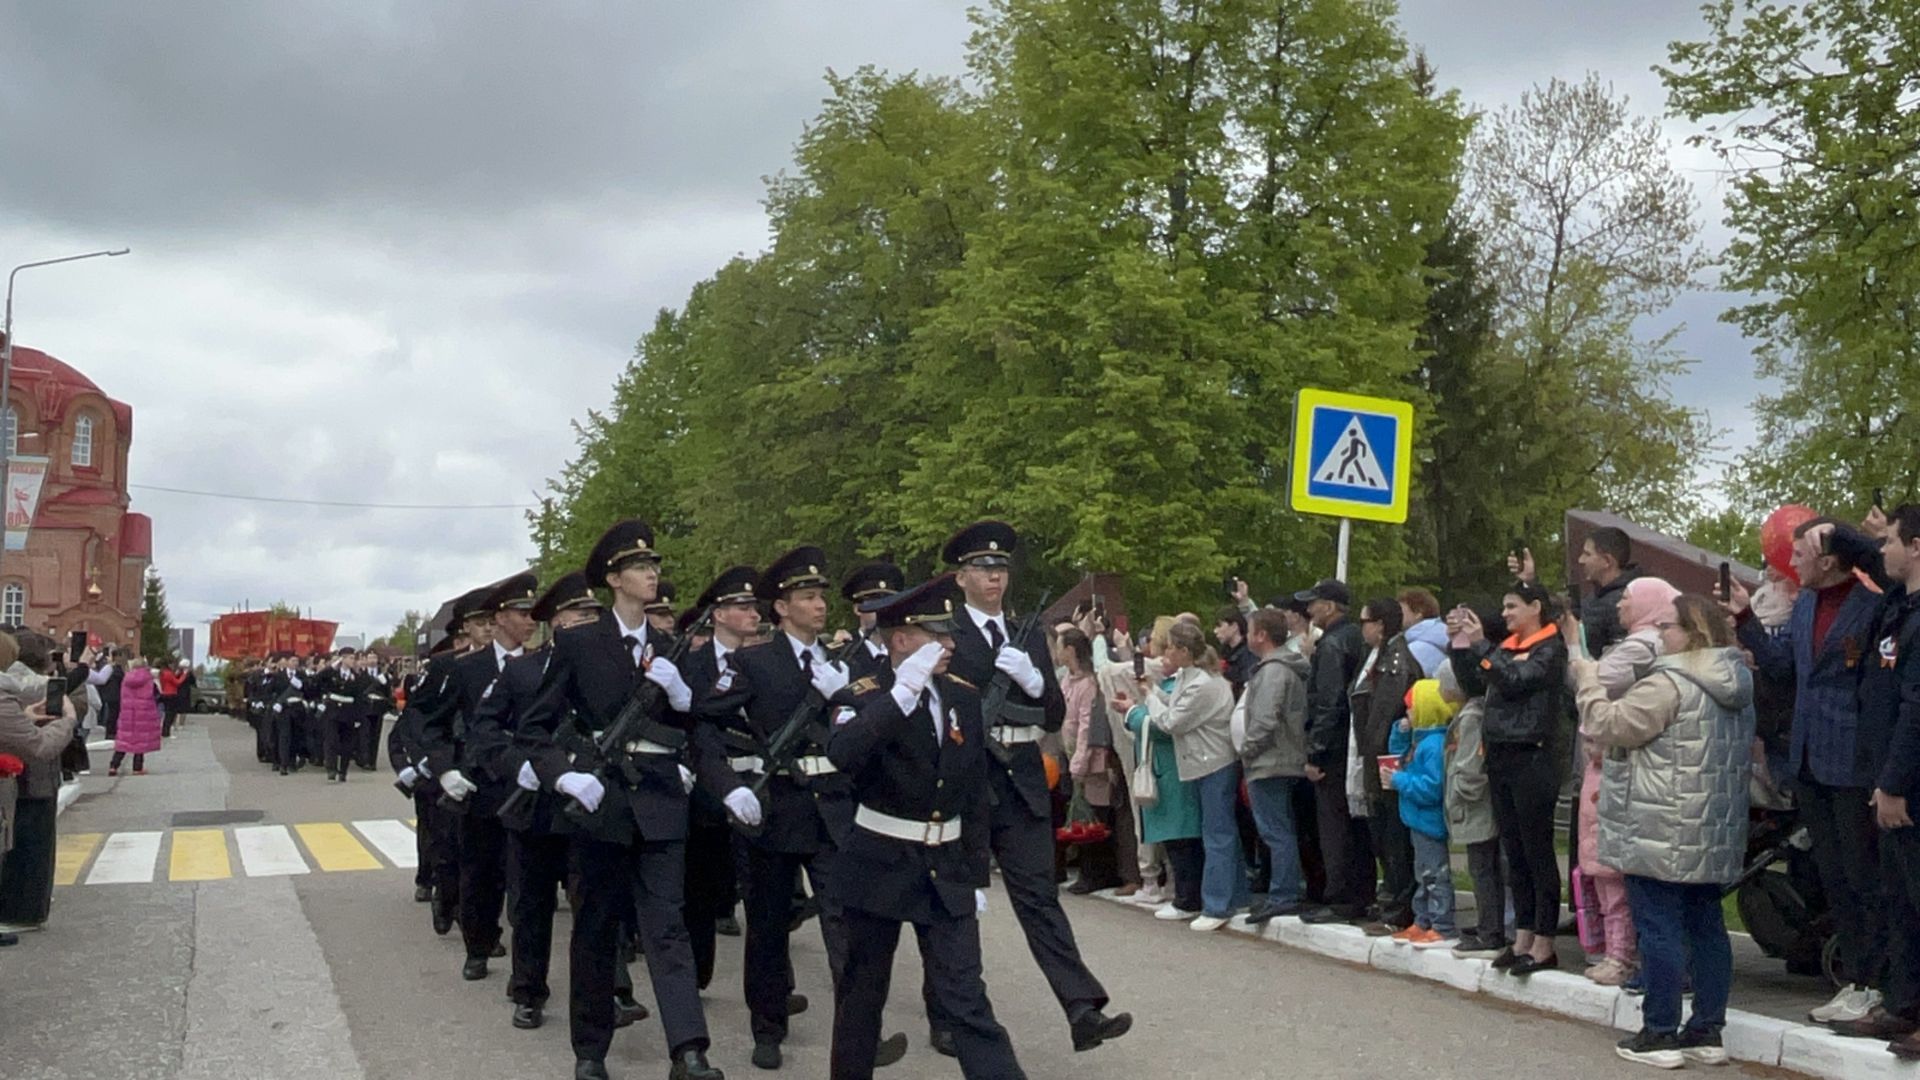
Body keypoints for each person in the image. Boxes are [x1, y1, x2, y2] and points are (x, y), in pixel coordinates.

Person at [516, 519, 723, 1080]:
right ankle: (590, 1049)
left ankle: (689, 1050)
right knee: (596, 928)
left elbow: (700, 724)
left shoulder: (668, 646)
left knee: (667, 927)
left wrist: (684, 701)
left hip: (659, 801)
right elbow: (535, 727)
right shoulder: (580, 643)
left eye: (654, 565)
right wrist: (563, 776)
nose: (652, 573)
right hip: (601, 802)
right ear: (613, 579)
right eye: (640, 566)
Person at [929, 521, 1129, 1055]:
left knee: (1039, 898)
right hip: (968, 780)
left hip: (1019, 779)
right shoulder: (945, 635)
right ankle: (953, 1013)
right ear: (960, 578)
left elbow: (1055, 713)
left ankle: (1082, 1008)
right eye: (982, 569)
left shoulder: (1026, 633)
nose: (994, 578)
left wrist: (1037, 682)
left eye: (1000, 569)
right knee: (961, 904)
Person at [825, 575, 1028, 1080]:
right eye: (935, 635)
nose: (949, 644)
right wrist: (902, 693)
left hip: (945, 868)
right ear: (899, 639)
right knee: (862, 998)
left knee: (966, 997)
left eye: (949, 633)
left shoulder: (961, 696)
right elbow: (843, 753)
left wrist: (977, 874)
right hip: (880, 862)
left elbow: (974, 791)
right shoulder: (863, 694)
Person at [691, 546, 869, 1071]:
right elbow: (704, 725)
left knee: (846, 922)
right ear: (781, 608)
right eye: (808, 597)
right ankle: (767, 1026)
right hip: (774, 808)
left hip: (831, 808)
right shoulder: (752, 661)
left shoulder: (840, 664)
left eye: (820, 596)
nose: (819, 606)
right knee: (768, 926)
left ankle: (858, 1030)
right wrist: (728, 786)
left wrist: (850, 699)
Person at [1723, 516, 1889, 1025]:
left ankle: (1880, 981)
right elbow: (1783, 668)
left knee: (1865, 876)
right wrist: (1746, 618)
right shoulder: (1807, 604)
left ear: (1830, 559)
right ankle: (1858, 979)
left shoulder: (1873, 603)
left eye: (1799, 555)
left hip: (1854, 759)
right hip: (1808, 759)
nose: (1789, 564)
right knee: (1834, 875)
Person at [1575, 594, 1752, 1069]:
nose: (1660, 637)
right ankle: (1707, 1029)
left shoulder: (1669, 683)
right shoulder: (1736, 680)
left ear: (1693, 633)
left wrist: (1589, 681)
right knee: (1707, 927)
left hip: (1658, 824)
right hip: (1710, 828)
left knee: (1659, 928)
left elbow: (1608, 724)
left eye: (1667, 627)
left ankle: (1659, 1032)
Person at [1450, 579, 1568, 975]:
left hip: (1532, 757)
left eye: (1512, 606)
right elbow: (1477, 682)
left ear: (1536, 607)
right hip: (1500, 756)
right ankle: (1522, 936)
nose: (1505, 614)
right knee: (1513, 854)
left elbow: (1517, 682)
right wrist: (1463, 644)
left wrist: (1483, 645)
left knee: (1537, 853)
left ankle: (1545, 942)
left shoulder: (1550, 648)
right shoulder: (1506, 646)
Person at [1853, 504, 1920, 1049]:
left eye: (1892, 541)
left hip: (1911, 784)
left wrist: (1895, 782)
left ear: (1917, 547)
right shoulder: (1901, 606)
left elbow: (1918, 707)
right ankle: (1904, 1004)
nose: (1882, 550)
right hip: (1888, 777)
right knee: (1899, 898)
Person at [1137, 620, 1243, 931]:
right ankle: (1228, 896)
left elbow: (1172, 721)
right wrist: (1153, 689)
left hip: (1215, 764)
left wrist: (1148, 698)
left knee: (1218, 835)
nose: (1166, 652)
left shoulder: (1204, 684)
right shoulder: (1189, 676)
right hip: (1200, 763)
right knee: (1214, 832)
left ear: (1184, 650)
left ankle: (1218, 905)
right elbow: (1172, 703)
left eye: (1170, 646)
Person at [1297, 578, 1372, 924]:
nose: (1309, 610)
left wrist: (1316, 752)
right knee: (1355, 825)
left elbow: (1329, 703)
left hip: (1334, 749)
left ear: (1329, 606)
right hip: (1352, 745)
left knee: (1334, 826)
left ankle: (1340, 896)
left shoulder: (1331, 646)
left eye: (1314, 603)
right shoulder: (1356, 638)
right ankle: (1361, 892)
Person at [1239, 608, 1312, 923]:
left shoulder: (1273, 672)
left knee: (1276, 831)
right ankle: (1284, 890)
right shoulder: (1282, 668)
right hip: (1280, 759)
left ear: (1261, 635)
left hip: (1270, 761)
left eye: (1249, 630)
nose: (1246, 636)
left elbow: (1266, 719)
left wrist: (1247, 749)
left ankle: (1284, 894)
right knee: (1279, 829)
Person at [1352, 597, 1420, 934]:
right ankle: (1393, 898)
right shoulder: (1377, 659)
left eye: (1365, 620)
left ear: (1380, 624)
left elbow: (1382, 718)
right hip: (1375, 758)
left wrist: (1378, 764)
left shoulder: (1396, 662)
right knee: (1383, 834)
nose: (1361, 627)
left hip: (1387, 760)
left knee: (1394, 835)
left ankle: (1400, 906)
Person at [0, 630, 75, 935]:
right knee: (29, 851)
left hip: (21, 780)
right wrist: (67, 720)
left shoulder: (13, 693)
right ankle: (22, 912)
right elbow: (38, 747)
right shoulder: (12, 692)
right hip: (29, 779)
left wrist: (25, 717)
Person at [1385, 677, 1459, 947]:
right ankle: (1423, 919)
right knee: (1422, 874)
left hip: (1429, 821)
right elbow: (1397, 752)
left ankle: (1442, 924)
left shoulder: (1434, 746)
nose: (1407, 714)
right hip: (1416, 819)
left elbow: (1432, 787)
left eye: (1411, 709)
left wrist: (1399, 781)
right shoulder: (1419, 741)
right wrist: (1401, 731)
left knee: (1435, 874)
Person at [1441, 654, 1505, 960]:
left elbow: (1469, 767)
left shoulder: (1470, 718)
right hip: (1477, 806)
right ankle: (1489, 924)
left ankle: (1490, 930)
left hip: (1476, 807)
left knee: (1482, 869)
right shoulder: (1471, 713)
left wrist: (1458, 794)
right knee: (1484, 867)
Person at [839, 560, 902, 683]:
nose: (883, 609)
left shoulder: (906, 651)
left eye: (889, 602)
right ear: (857, 609)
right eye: (875, 602)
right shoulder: (843, 653)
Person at [109, 658, 162, 776]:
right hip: (143, 713)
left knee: (124, 740)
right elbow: (156, 694)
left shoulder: (126, 678)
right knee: (140, 742)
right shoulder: (148, 678)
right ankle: (137, 768)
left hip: (127, 713)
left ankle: (113, 765)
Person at [1399, 589, 1449, 678]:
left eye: (1401, 611)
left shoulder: (1415, 650)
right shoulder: (1444, 636)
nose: (1398, 615)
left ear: (1418, 613)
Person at [1214, 607, 1255, 695]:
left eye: (1219, 626)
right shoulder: (1223, 652)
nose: (1215, 631)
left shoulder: (1249, 653)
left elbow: (1247, 685)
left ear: (1234, 627)